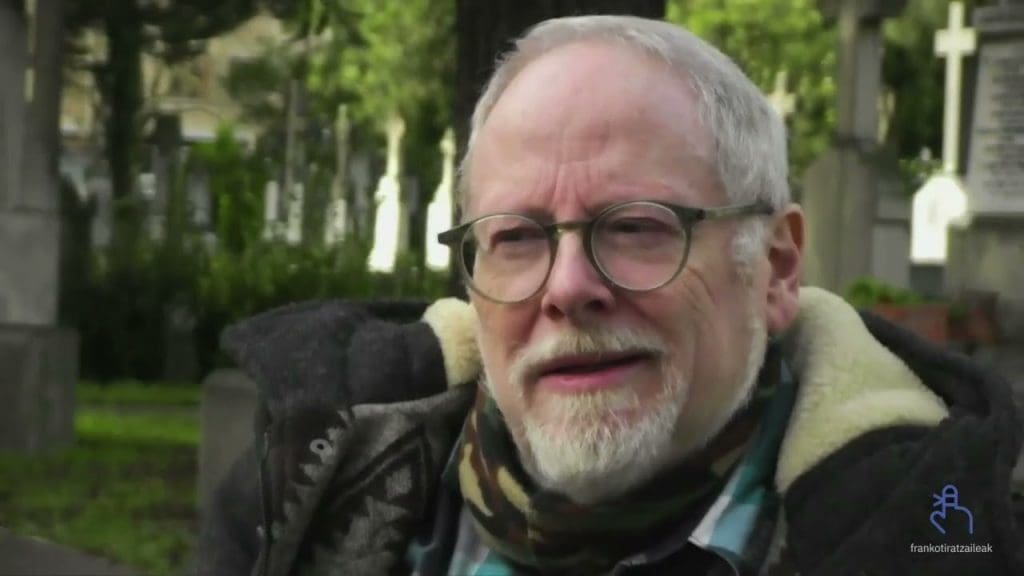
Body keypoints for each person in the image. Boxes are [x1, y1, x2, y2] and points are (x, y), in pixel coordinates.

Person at [195, 15, 1023, 576]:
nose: (568, 290)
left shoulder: (962, 526)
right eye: (516, 237)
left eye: (635, 226)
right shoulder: (310, 480)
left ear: (772, 268)